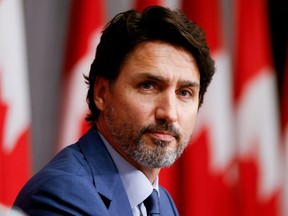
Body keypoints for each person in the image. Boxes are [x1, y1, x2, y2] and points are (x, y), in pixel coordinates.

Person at [13, 5, 215, 216]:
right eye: (148, 86)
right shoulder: (60, 194)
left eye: (184, 93)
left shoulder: (163, 203)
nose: (170, 113)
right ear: (101, 93)